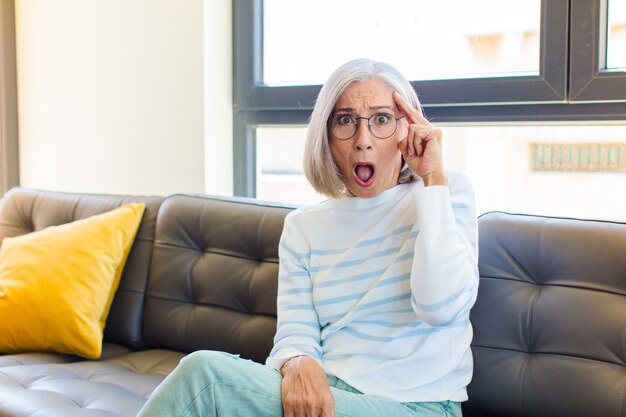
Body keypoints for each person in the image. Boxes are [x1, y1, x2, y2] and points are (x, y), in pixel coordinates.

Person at [137, 58, 478, 417]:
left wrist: (432, 181)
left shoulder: (444, 191)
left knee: (205, 378)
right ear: (326, 136)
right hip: (326, 397)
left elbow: (440, 308)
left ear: (406, 130)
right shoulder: (304, 226)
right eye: (345, 120)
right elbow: (295, 332)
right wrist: (297, 361)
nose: (363, 141)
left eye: (381, 120)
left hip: (417, 406)